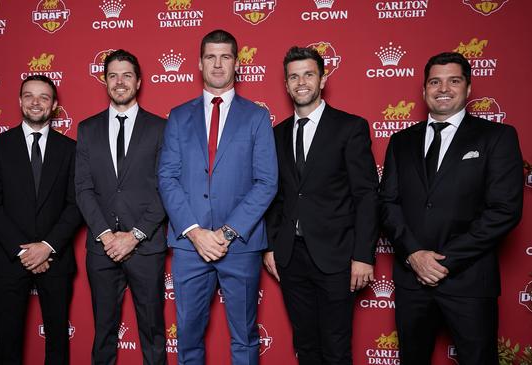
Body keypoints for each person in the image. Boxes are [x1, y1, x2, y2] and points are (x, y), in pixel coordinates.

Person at [379, 52, 523, 364]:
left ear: (468, 89)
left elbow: (504, 210)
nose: (443, 88)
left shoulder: (497, 137)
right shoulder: (400, 141)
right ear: (424, 90)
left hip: (469, 280)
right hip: (411, 280)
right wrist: (415, 255)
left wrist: (444, 261)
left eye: (453, 80)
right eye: (435, 81)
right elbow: (388, 204)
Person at [158, 29, 278, 365]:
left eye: (225, 56)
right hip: (189, 245)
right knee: (189, 339)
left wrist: (226, 233)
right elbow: (167, 177)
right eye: (211, 56)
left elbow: (267, 181)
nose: (218, 63)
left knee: (244, 338)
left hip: (239, 245)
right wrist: (195, 233)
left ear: (237, 63)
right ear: (199, 63)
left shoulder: (256, 116)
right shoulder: (179, 116)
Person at [264, 46, 379, 364]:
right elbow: (275, 195)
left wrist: (363, 256)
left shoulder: (349, 127)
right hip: (291, 256)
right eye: (294, 76)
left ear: (323, 79)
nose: (301, 82)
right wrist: (272, 245)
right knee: (305, 343)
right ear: (286, 84)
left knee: (336, 344)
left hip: (337, 256)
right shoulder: (276, 134)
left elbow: (366, 195)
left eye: (308, 74)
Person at [75, 49, 168, 365]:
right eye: (113, 75)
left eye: (126, 75)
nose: (119, 82)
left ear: (138, 81)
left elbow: (165, 189)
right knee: (103, 333)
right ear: (104, 81)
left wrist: (135, 235)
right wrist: (105, 234)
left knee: (153, 332)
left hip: (146, 247)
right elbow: (83, 189)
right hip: (102, 249)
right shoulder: (87, 129)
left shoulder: (160, 128)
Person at [0, 75, 81, 364]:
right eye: (29, 96)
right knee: (8, 340)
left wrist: (47, 246)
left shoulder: (70, 149)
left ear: (54, 105)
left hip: (55, 256)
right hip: (8, 257)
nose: (36, 102)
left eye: (44, 97)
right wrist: (23, 250)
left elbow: (76, 205)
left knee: (57, 340)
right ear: (20, 101)